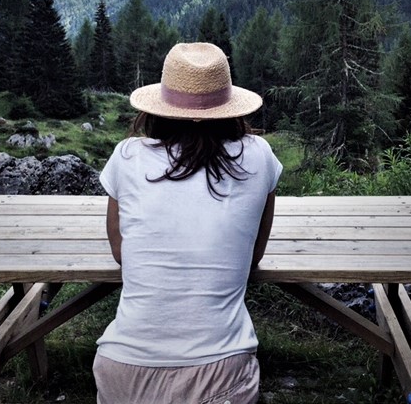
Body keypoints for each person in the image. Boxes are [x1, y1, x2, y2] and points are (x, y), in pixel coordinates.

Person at [94, 42, 283, 404]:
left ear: (159, 109)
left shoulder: (127, 156)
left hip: (123, 370)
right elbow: (253, 256)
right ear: (230, 109)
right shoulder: (260, 157)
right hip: (219, 373)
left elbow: (120, 252)